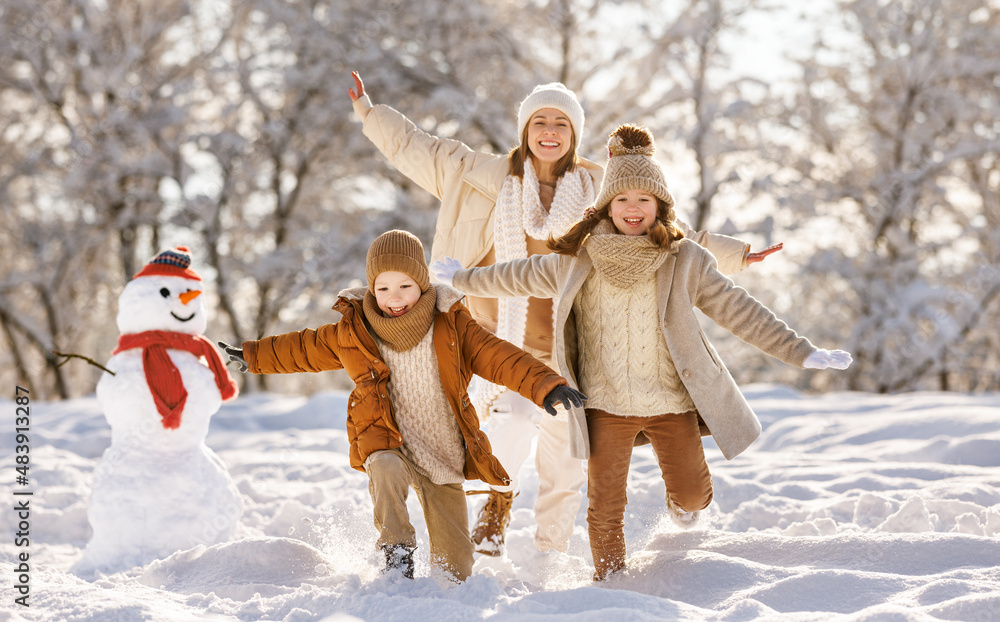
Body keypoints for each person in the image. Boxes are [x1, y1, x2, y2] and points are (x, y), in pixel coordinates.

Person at [348, 72, 781, 556]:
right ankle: (498, 504)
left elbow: (666, 229)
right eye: (540, 122)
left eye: (561, 123)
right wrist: (369, 110)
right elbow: (416, 147)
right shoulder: (476, 176)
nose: (549, 131)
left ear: (574, 133)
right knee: (509, 425)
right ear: (525, 130)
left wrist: (736, 253)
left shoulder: (600, 188)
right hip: (500, 343)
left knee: (566, 460)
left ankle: (549, 555)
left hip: (571, 349)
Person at [431, 124, 852, 580]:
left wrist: (802, 352)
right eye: (623, 199)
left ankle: (682, 505)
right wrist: (463, 279)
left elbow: (741, 311)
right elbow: (519, 275)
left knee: (692, 496)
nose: (633, 209)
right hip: (606, 405)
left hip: (669, 402)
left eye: (644, 200)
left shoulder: (685, 259)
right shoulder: (580, 258)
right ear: (607, 205)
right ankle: (609, 584)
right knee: (604, 506)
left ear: (660, 206)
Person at [217, 230, 584, 582]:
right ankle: (397, 551)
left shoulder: (452, 324)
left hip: (443, 453)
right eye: (383, 288)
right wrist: (254, 355)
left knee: (455, 573)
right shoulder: (355, 329)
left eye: (405, 286)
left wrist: (546, 385)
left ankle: (450, 576)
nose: (394, 297)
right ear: (372, 289)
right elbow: (304, 347)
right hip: (387, 441)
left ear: (422, 284)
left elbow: (499, 357)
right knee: (385, 465)